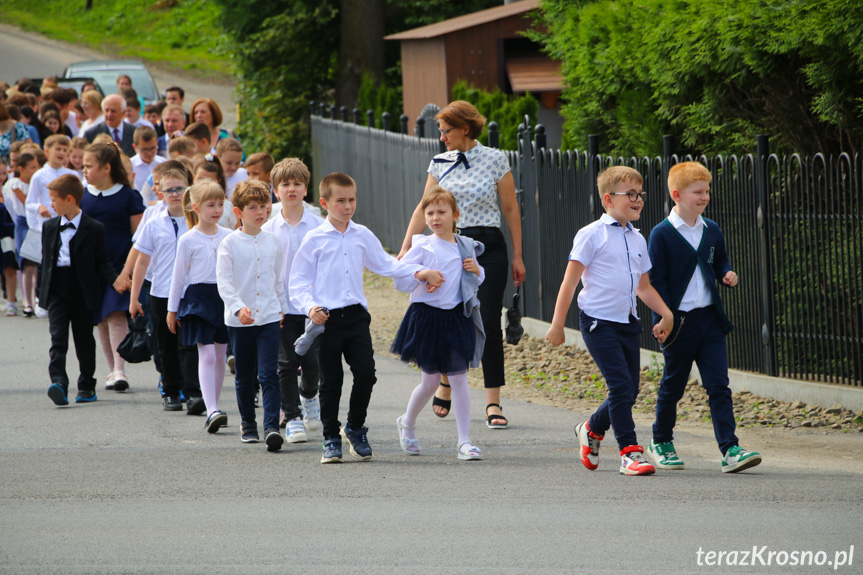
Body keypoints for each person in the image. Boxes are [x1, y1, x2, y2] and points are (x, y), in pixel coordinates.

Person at [290, 172, 440, 464]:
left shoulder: (362, 235)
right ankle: (331, 437)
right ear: (324, 203)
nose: (348, 206)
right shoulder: (314, 239)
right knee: (330, 381)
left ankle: (355, 428)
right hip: (326, 319)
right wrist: (310, 308)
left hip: (356, 317)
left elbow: (387, 265)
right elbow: (297, 281)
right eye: (341, 201)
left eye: (352, 200)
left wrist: (419, 273)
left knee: (366, 373)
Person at [398, 100, 524, 429]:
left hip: (489, 248)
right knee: (451, 315)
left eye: (445, 131)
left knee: (488, 318)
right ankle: (445, 381)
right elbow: (423, 208)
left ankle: (493, 401)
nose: (441, 137)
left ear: (465, 129)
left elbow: (510, 208)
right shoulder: (440, 162)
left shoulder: (496, 158)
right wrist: (405, 248)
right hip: (451, 247)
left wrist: (518, 255)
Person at [545, 166, 674, 476]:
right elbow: (569, 282)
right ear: (608, 198)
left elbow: (643, 287)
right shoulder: (592, 234)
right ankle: (630, 453)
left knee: (629, 391)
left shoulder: (639, 239)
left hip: (627, 322)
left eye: (640, 194)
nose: (638, 199)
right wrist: (557, 324)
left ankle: (591, 428)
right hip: (597, 322)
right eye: (630, 194)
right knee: (620, 387)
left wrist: (667, 313)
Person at [646, 161, 762, 473]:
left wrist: (726, 273)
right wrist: (663, 316)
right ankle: (660, 440)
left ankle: (730, 449)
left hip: (709, 320)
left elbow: (719, 259)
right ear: (677, 195)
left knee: (718, 385)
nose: (705, 196)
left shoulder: (712, 230)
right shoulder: (661, 235)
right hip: (678, 323)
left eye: (707, 191)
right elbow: (654, 282)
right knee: (674, 384)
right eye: (698, 192)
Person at [392, 187, 485, 460]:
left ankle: (464, 442)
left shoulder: (465, 245)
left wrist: (477, 271)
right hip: (427, 319)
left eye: (441, 212)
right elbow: (400, 277)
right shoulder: (422, 245)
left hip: (456, 318)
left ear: (455, 215)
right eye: (429, 213)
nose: (435, 218)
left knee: (459, 378)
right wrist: (423, 274)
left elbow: (477, 279)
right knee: (431, 382)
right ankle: (407, 423)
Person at [216, 180, 288, 451]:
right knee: (245, 375)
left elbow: (276, 278)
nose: (260, 212)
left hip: (268, 317)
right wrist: (238, 307)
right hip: (239, 320)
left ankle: (271, 426)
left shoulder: (273, 242)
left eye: (264, 206)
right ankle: (248, 423)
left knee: (269, 373)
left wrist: (280, 307)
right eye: (253, 207)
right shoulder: (229, 244)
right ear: (238, 212)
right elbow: (224, 283)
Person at [129, 166, 204, 414]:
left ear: (188, 190)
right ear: (160, 193)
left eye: (179, 189)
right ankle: (171, 390)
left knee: (190, 344)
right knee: (165, 344)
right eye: (168, 190)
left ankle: (193, 392)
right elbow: (141, 261)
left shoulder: (197, 221)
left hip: (190, 292)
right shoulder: (153, 223)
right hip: (161, 292)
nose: (174, 194)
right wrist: (134, 298)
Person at [261, 158, 324, 442]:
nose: (291, 189)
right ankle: (293, 416)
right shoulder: (269, 229)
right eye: (285, 184)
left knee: (312, 363)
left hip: (312, 306)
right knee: (286, 363)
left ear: (306, 189)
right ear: (276, 191)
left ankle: (309, 396)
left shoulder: (318, 225)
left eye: (297, 184)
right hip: (282, 307)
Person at [41, 174, 118, 406]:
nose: (51, 204)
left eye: (54, 200)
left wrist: (116, 281)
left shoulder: (94, 228)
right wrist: (40, 293)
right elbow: (46, 262)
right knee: (58, 338)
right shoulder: (50, 226)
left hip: (83, 289)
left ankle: (86, 385)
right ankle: (59, 384)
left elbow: (102, 261)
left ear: (70, 199)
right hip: (57, 288)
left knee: (84, 339)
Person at [81, 142, 146, 391]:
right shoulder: (83, 195)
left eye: (89, 166)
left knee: (116, 315)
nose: (84, 171)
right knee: (102, 319)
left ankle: (120, 370)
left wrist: (128, 272)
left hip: (119, 266)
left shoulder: (129, 196)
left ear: (106, 168)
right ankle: (111, 369)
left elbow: (138, 238)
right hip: (92, 267)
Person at [168, 180, 232, 433]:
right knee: (205, 355)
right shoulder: (188, 239)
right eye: (210, 204)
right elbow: (178, 277)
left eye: (220, 204)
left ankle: (213, 407)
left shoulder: (229, 236)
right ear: (195, 207)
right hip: (197, 298)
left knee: (219, 355)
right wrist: (172, 310)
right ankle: (213, 409)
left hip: (223, 297)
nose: (216, 209)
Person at [25, 135, 78, 317]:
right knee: (46, 261)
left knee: (66, 259)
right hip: (47, 225)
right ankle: (42, 297)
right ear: (47, 152)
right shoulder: (39, 176)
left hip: (68, 223)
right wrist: (39, 207)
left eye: (65, 150)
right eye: (58, 149)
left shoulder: (71, 175)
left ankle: (68, 296)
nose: (62, 153)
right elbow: (30, 202)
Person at [7, 152, 42, 316]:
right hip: (23, 223)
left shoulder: (38, 181)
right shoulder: (15, 183)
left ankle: (38, 299)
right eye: (33, 167)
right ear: (21, 169)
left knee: (39, 265)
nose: (37, 170)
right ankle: (27, 301)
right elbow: (27, 201)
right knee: (28, 265)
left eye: (37, 166)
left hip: (39, 224)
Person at [130, 126, 166, 192]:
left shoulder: (164, 163)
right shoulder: (130, 166)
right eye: (144, 149)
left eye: (153, 148)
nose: (149, 153)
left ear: (157, 143)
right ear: (135, 147)